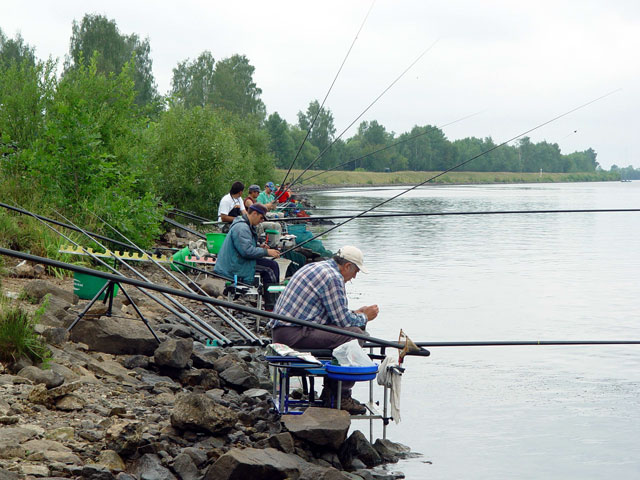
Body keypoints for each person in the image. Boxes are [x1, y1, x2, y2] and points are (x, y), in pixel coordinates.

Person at [269, 245, 379, 413]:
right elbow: (342, 321)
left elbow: (331, 314)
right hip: (293, 333)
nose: (354, 277)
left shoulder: (318, 267)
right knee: (355, 335)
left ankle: (331, 392)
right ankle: (341, 395)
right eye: (355, 271)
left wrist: (356, 313)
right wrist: (364, 317)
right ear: (347, 266)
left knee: (352, 331)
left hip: (284, 330)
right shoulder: (333, 277)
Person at [214, 203, 281, 294]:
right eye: (261, 218)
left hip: (237, 261)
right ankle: (271, 304)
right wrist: (266, 252)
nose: (261, 221)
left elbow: (244, 246)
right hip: (233, 266)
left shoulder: (245, 225)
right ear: (254, 214)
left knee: (271, 265)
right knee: (271, 268)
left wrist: (258, 247)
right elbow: (246, 252)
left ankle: (268, 298)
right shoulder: (242, 227)